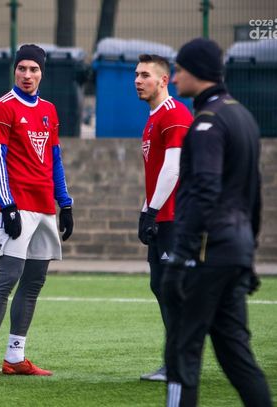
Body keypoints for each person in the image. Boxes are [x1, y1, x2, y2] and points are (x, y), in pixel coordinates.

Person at [163, 38, 272, 406]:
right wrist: (248, 254)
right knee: (236, 353)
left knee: (182, 350)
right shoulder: (242, 116)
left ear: (197, 72)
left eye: (179, 70)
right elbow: (253, 194)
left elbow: (204, 192)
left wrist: (181, 256)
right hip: (235, 250)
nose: (174, 78)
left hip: (208, 254)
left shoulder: (207, 122)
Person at [0, 44, 74, 379]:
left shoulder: (49, 110)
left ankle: (15, 356)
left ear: (42, 73)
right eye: (22, 69)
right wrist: (7, 205)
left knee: (34, 282)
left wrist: (65, 203)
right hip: (17, 206)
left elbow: (55, 159)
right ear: (14, 70)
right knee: (7, 279)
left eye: (34, 69)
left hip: (45, 207)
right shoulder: (1, 108)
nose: (27, 75)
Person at [134, 54, 192, 382]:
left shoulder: (174, 114)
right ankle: (176, 360)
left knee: (174, 290)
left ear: (163, 80)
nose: (138, 81)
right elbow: (156, 173)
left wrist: (153, 211)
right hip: (161, 217)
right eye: (137, 75)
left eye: (145, 75)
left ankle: (179, 363)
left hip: (176, 218)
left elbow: (173, 168)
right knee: (160, 286)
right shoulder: (153, 117)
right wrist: (146, 211)